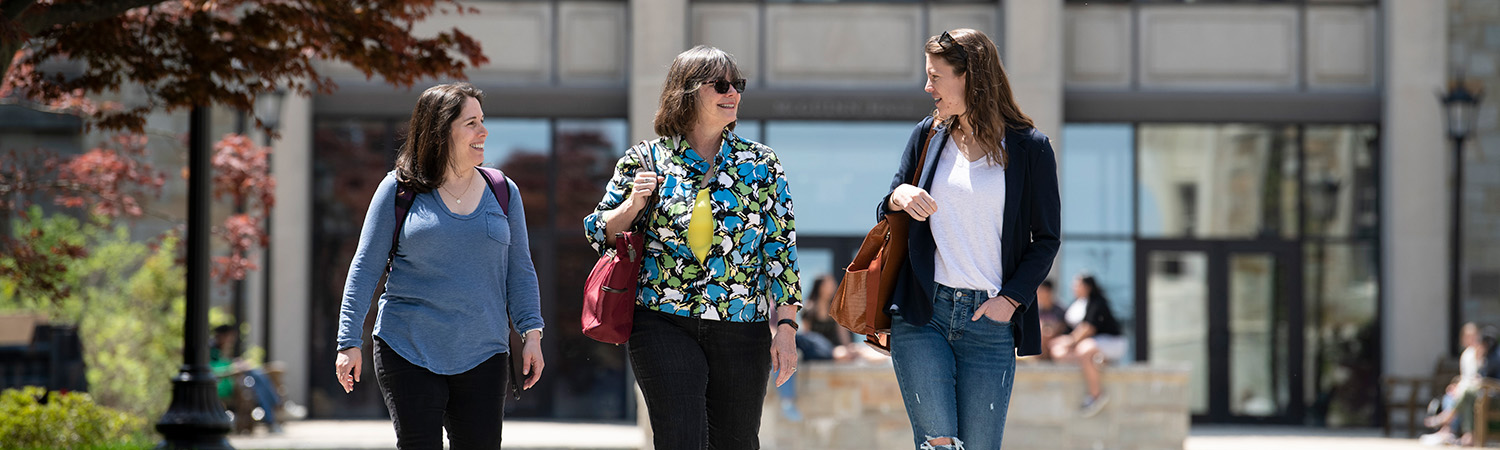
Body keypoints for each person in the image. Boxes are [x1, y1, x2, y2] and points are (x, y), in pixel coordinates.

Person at [583, 45, 801, 449]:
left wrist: (786, 326)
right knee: (680, 438)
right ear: (686, 91)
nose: (732, 91)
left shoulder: (762, 163)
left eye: (737, 84)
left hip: (742, 325)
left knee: (736, 442)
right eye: (719, 84)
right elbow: (599, 232)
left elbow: (780, 250)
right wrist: (632, 206)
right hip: (662, 319)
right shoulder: (645, 159)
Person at [333, 82, 545, 449]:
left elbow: (520, 269)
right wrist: (348, 341)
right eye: (471, 123)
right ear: (441, 130)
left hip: (485, 352)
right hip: (408, 347)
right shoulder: (399, 190)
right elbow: (364, 267)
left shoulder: (503, 191)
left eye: (483, 120)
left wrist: (532, 334)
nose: (484, 132)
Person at [880, 28, 1061, 450]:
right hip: (923, 314)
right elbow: (886, 208)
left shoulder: (1031, 149)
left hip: (989, 322)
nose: (928, 87)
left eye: (935, 76)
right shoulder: (928, 136)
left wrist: (1010, 301)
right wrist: (899, 195)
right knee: (937, 443)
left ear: (969, 77)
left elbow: (1046, 239)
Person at [1050, 274, 1125, 417]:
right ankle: (1094, 362)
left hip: (1110, 342)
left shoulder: (1097, 303)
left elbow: (1088, 329)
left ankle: (1096, 394)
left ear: (1087, 287)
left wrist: (1069, 341)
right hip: (1087, 346)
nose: (1074, 287)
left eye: (1078, 284)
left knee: (1085, 350)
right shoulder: (1076, 304)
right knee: (1059, 353)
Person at [210, 325, 283, 434]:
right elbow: (212, 368)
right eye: (229, 337)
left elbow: (223, 362)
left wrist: (236, 363)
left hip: (230, 380)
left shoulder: (220, 348)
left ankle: (273, 413)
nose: (231, 341)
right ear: (221, 336)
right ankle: (276, 409)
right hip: (221, 384)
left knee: (255, 375)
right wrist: (232, 367)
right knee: (253, 381)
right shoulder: (210, 348)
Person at [1034, 279, 1069, 361]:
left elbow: (1060, 329)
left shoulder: (1060, 310)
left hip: (1057, 341)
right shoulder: (1037, 310)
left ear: (1048, 292)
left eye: (1040, 291)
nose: (1037, 294)